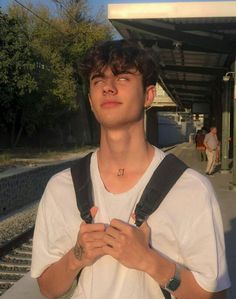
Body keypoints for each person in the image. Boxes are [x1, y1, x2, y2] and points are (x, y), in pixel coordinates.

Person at [31, 40, 230, 299]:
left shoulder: (191, 189)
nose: (108, 88)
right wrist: (77, 255)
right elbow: (47, 288)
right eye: (98, 80)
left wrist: (149, 261)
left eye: (123, 78)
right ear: (91, 100)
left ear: (148, 95)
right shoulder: (61, 187)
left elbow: (215, 296)